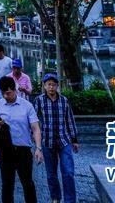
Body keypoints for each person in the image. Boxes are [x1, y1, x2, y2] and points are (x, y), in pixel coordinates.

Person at [0, 76, 42, 203]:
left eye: (8, 93)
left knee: (28, 184)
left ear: (15, 90)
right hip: (5, 151)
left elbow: (35, 128)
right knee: (7, 185)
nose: (6, 96)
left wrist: (38, 148)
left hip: (23, 150)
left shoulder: (27, 106)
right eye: (3, 93)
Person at [35, 73, 79, 203]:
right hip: (47, 141)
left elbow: (70, 120)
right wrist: (37, 144)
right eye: (49, 84)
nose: (51, 87)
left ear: (57, 86)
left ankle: (70, 200)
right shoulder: (39, 100)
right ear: (44, 86)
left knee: (68, 172)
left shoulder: (64, 100)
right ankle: (55, 197)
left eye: (54, 85)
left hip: (64, 140)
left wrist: (74, 140)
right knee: (51, 174)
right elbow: (34, 122)